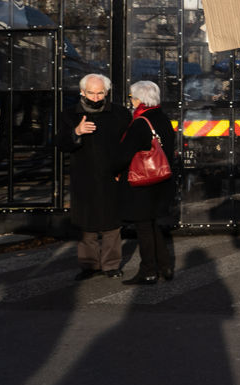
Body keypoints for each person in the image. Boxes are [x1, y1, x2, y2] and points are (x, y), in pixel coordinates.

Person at [57, 73, 129, 279]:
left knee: (111, 223)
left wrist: (121, 170)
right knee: (85, 223)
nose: (96, 98)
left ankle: (111, 265)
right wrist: (76, 132)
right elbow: (60, 144)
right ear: (82, 92)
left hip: (111, 175)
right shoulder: (69, 114)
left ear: (106, 93)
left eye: (100, 94)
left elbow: (128, 145)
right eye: (91, 93)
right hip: (84, 177)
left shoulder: (120, 114)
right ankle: (89, 265)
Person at [117, 81, 177, 285]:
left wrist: (114, 170)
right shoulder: (163, 118)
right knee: (152, 224)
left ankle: (148, 271)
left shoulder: (140, 122)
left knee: (143, 227)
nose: (131, 101)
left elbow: (124, 154)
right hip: (160, 179)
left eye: (132, 97)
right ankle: (165, 265)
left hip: (142, 182)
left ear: (139, 99)